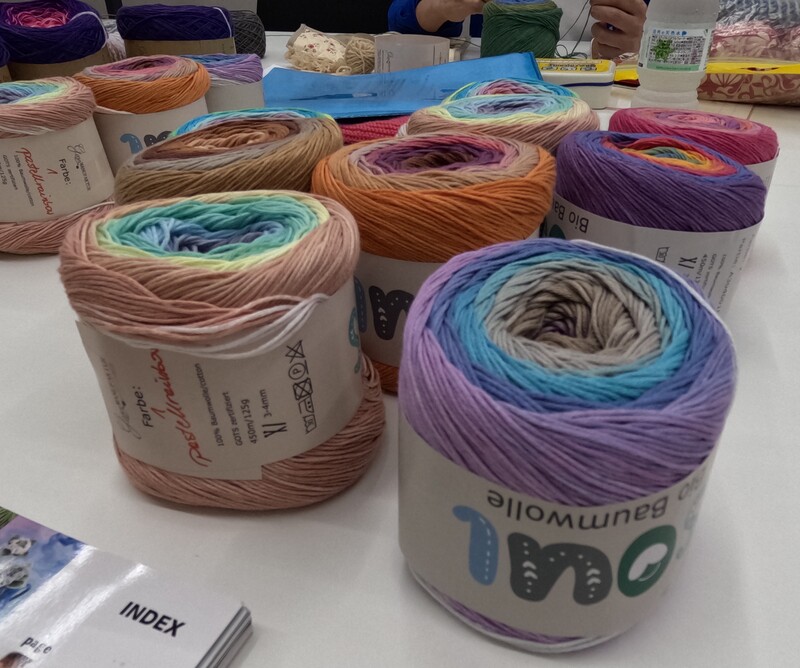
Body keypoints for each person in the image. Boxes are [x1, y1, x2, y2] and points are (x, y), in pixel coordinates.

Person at [388, 0, 648, 60]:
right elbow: (399, 25)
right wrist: (438, 7)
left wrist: (640, 44)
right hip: (477, 97)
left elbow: (649, 33)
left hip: (590, 99)